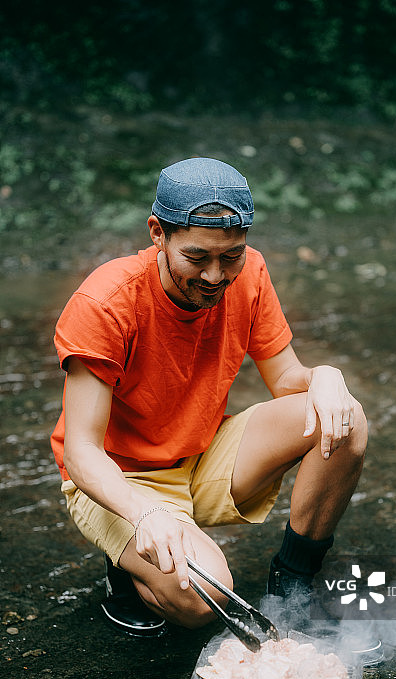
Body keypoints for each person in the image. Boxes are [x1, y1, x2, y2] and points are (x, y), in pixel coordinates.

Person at [51, 157, 367, 637]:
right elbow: (81, 452)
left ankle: (294, 587)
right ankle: (128, 571)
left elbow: (286, 381)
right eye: (197, 258)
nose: (216, 276)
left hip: (201, 453)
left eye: (231, 256)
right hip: (122, 479)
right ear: (158, 233)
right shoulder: (106, 303)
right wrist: (145, 512)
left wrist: (325, 376)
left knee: (345, 420)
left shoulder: (252, 274)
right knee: (205, 599)